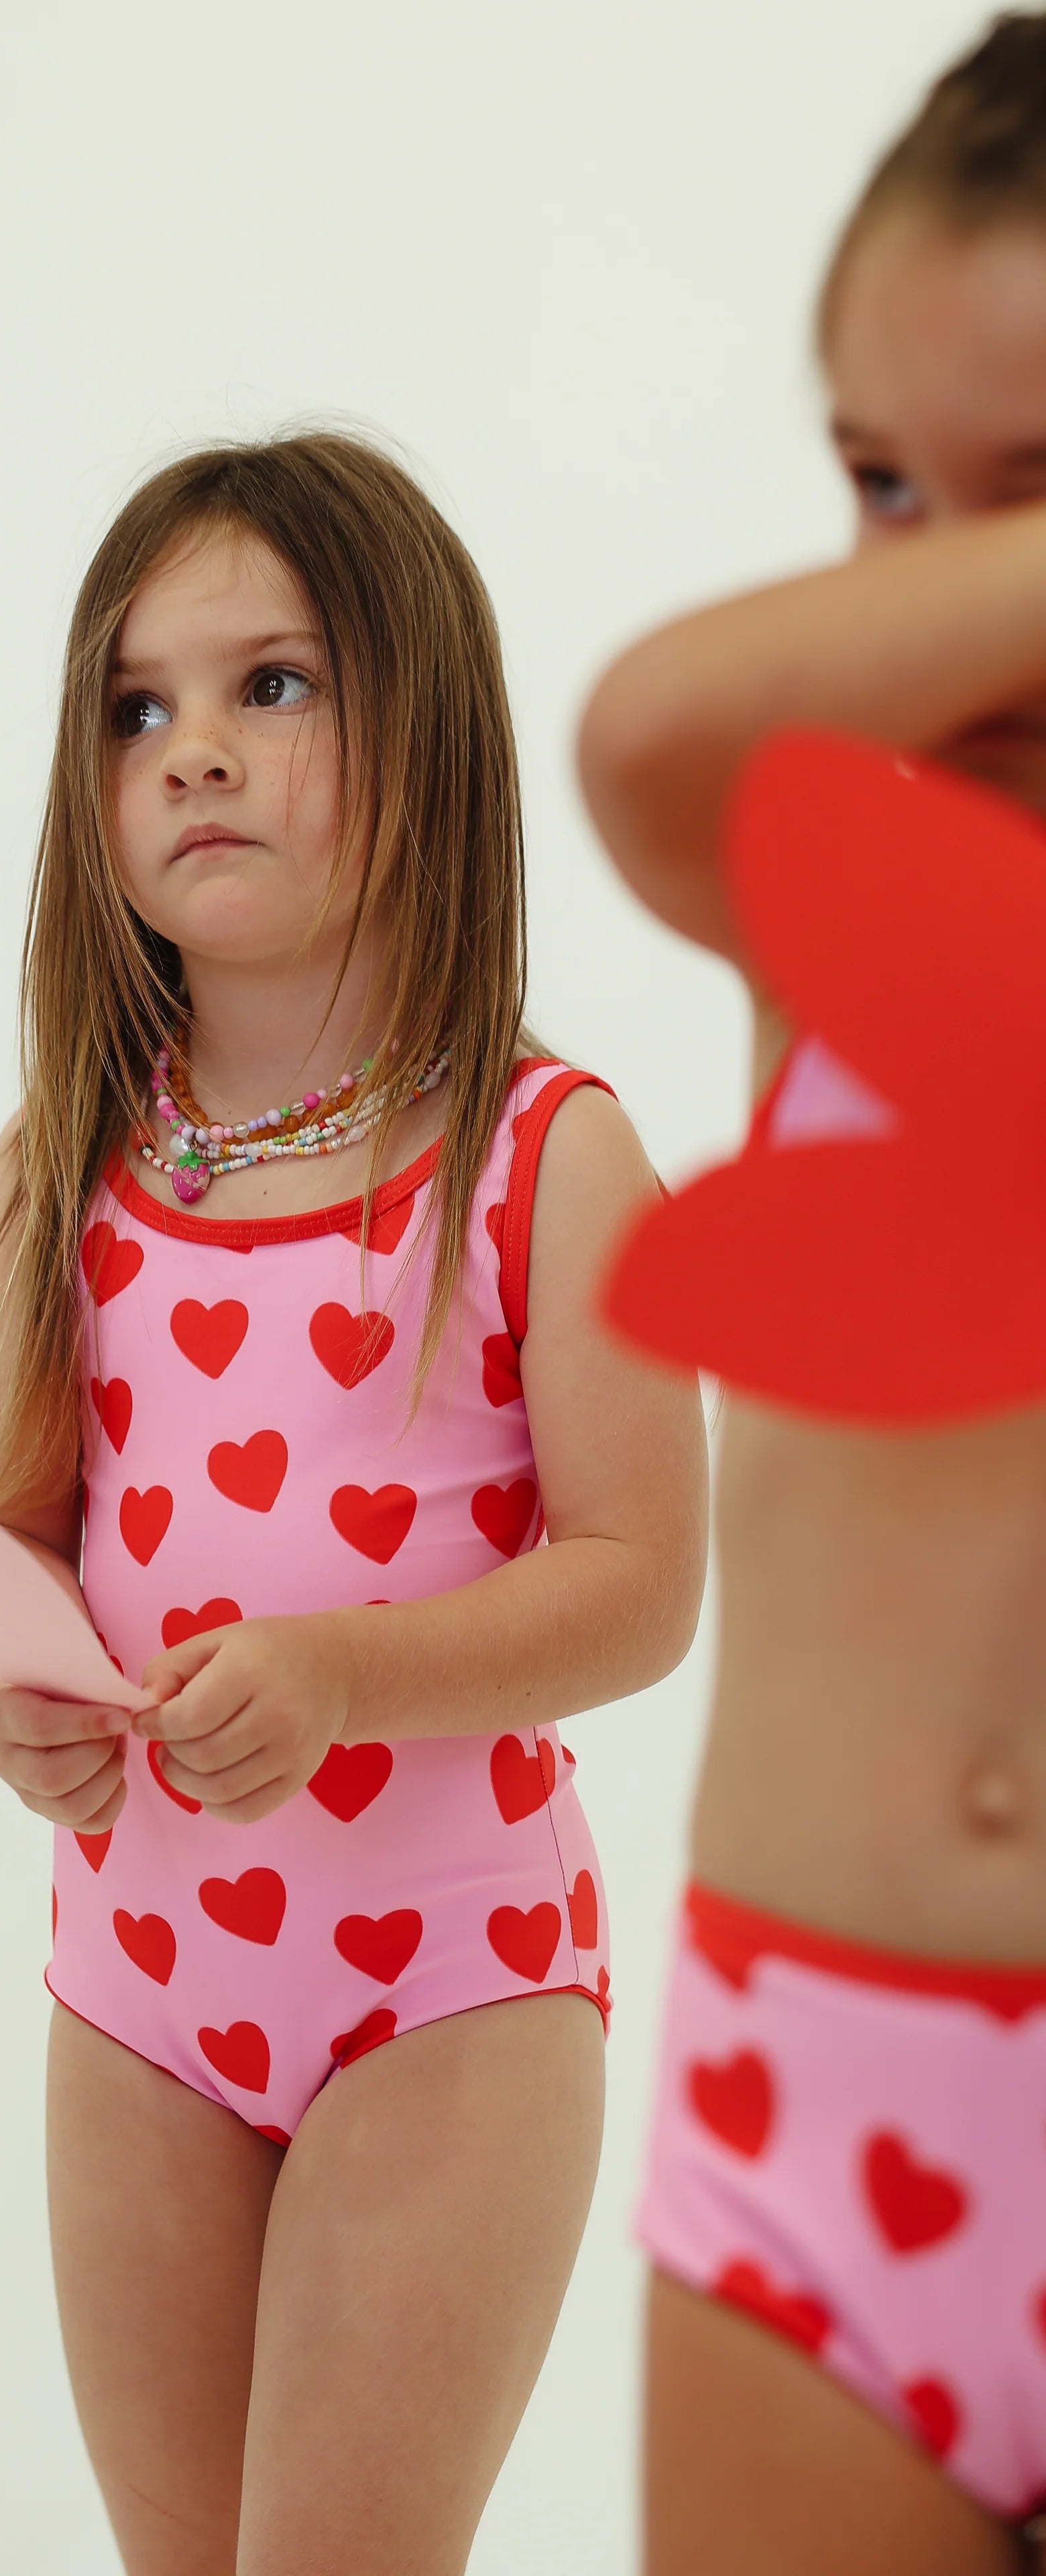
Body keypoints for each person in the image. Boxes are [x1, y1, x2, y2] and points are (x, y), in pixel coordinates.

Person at [0, 431, 708, 2576]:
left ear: (429, 731)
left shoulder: (550, 1160)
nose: (193, 753)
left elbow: (645, 1586)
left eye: (272, 687)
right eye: (139, 707)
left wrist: (344, 1669)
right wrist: (10, 1687)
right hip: (141, 1984)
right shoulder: (61, 1169)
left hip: (450, 1987)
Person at [578, 18, 1046, 2573]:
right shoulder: (832, 892)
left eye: (1028, 479)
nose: (933, 588)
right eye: (880, 486)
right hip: (827, 2084)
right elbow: (649, 728)